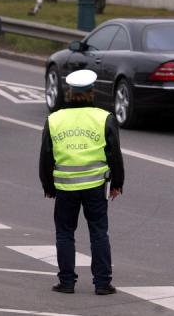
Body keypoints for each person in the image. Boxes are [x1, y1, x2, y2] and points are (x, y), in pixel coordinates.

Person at [38, 69, 125, 296]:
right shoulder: (104, 118)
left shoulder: (54, 119)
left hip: (65, 188)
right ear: (92, 92)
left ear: (68, 93)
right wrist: (117, 183)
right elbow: (114, 154)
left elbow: (46, 156)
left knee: (65, 233)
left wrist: (48, 186)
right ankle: (103, 283)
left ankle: (67, 282)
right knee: (98, 233)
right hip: (96, 186)